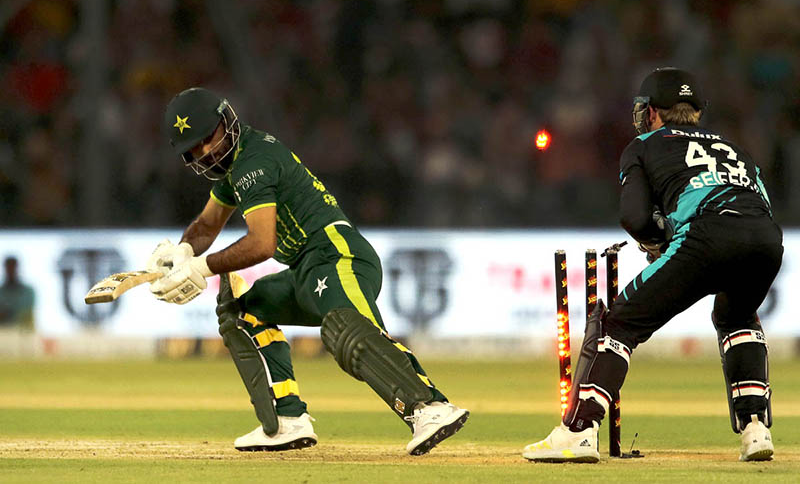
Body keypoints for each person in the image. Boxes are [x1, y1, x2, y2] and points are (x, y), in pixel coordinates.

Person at [149, 87, 468, 454]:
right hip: (305, 269)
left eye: (208, 138)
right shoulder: (235, 170)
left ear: (227, 121)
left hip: (338, 255)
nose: (206, 152)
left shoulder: (254, 161)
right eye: (195, 149)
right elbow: (206, 227)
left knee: (347, 328)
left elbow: (261, 243)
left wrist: (200, 268)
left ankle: (430, 407)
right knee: (241, 310)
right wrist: (182, 250)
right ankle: (286, 420)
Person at [522, 68, 783, 463]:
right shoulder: (734, 147)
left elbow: (635, 217)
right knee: (737, 315)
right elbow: (760, 202)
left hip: (705, 236)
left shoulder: (643, 146)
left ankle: (578, 431)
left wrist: (660, 243)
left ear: (653, 113)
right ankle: (755, 429)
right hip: (766, 240)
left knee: (618, 322)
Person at [0, 256, 35, 329]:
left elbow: (25, 314)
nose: (11, 271)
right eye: (8, 267)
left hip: (23, 332)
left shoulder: (28, 291)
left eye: (13, 267)